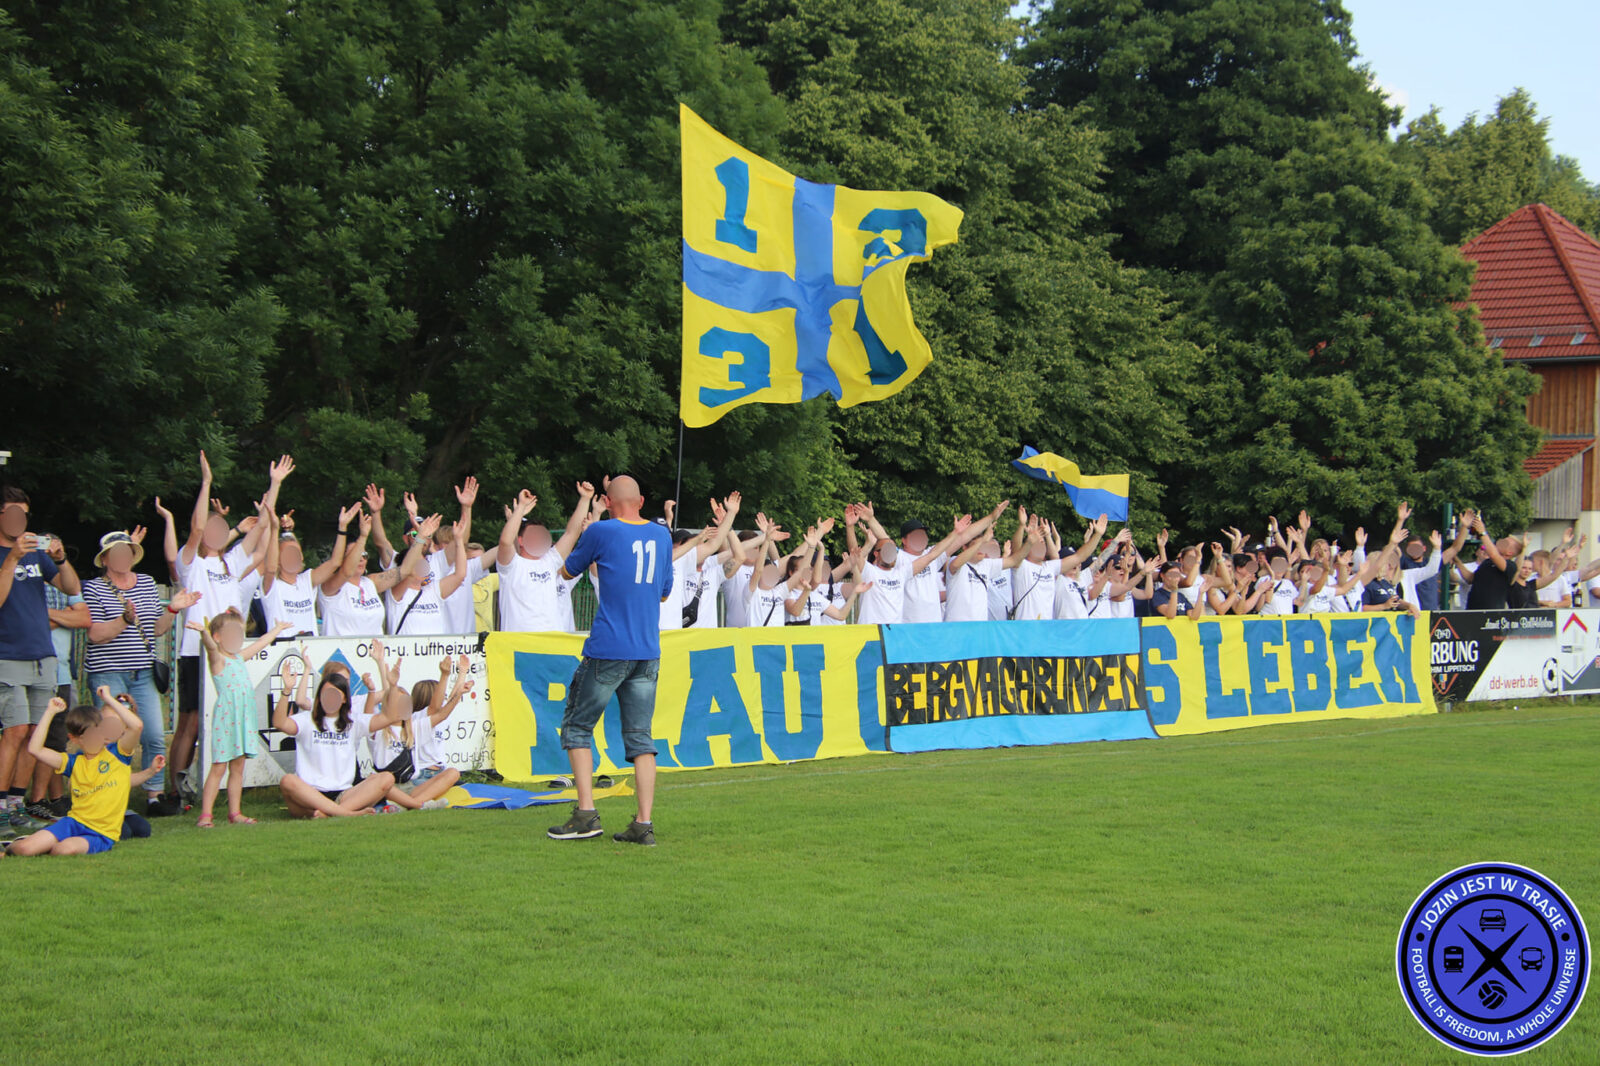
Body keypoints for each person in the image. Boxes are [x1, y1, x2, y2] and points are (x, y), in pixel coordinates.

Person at [547, 475, 673, 846]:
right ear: (641, 500)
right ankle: (643, 823)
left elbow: (567, 570)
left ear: (606, 500)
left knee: (577, 727)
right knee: (641, 738)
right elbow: (663, 592)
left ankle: (586, 813)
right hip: (647, 649)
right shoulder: (662, 536)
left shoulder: (602, 532)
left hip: (608, 646)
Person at [168, 452, 279, 807]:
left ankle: (210, 791)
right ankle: (177, 791)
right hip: (195, 651)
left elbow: (261, 533)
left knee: (223, 720)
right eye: (210, 528)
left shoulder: (230, 564)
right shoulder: (191, 563)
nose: (213, 532)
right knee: (191, 722)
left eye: (221, 529)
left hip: (228, 655)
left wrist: (275, 485)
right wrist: (205, 482)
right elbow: (198, 528)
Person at [82, 529, 201, 815]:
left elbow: (156, 630)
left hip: (142, 671)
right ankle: (108, 795)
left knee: (154, 735)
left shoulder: (146, 583)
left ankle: (154, 798)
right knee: (110, 736)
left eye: (127, 552)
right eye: (117, 553)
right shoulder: (94, 588)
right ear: (106, 559)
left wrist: (173, 609)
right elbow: (95, 634)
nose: (123, 557)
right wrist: (124, 620)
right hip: (108, 673)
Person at [0, 486, 83, 836]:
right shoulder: (13, 555)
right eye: (13, 513)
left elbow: (71, 588)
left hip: (43, 656)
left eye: (24, 514)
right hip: (7, 655)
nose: (21, 521)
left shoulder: (37, 554)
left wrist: (61, 559)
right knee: (15, 731)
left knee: (36, 732)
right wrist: (12, 559)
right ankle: (1, 808)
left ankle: (17, 805)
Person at [273, 641, 412, 817]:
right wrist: (286, 690)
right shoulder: (306, 719)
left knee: (386, 778)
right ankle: (345, 813)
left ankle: (333, 812)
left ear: (345, 699)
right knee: (288, 781)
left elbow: (389, 717)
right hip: (309, 795)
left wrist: (392, 686)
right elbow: (279, 723)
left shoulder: (354, 722)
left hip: (343, 794)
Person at [4, 687, 142, 857]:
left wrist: (107, 698)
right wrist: (50, 712)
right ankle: (10, 848)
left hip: (100, 832)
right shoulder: (73, 762)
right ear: (75, 739)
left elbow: (136, 726)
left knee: (63, 850)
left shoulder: (118, 755)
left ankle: (45, 845)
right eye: (86, 736)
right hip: (72, 823)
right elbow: (35, 749)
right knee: (24, 849)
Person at [191, 610, 294, 828]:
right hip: (227, 720)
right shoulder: (218, 660)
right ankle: (206, 815)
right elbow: (210, 647)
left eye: (238, 634)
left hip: (243, 720)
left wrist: (276, 629)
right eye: (229, 634)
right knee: (218, 767)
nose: (235, 639)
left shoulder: (239, 657)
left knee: (238, 769)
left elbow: (261, 643)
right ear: (218, 637)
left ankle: (235, 812)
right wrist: (204, 633)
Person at [496, 484, 594, 632]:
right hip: (519, 646)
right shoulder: (511, 565)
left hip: (551, 645)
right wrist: (521, 508)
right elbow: (505, 541)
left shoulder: (550, 561)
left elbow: (571, 534)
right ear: (521, 540)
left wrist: (585, 499)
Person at [318, 508, 424, 636]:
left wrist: (421, 538)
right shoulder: (330, 586)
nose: (361, 558)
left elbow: (406, 570)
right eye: (355, 553)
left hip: (373, 653)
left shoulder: (370, 583)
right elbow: (346, 573)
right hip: (340, 654)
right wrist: (362, 537)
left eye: (364, 554)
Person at [261, 505, 357, 636]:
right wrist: (275, 529)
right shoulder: (273, 585)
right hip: (283, 651)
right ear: (278, 559)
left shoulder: (306, 580)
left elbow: (335, 562)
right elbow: (270, 569)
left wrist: (342, 528)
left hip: (309, 649)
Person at [384, 514, 468, 637]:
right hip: (405, 655)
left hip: (434, 654)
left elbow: (460, 575)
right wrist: (421, 536)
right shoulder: (397, 593)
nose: (424, 567)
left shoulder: (433, 590)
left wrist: (459, 540)